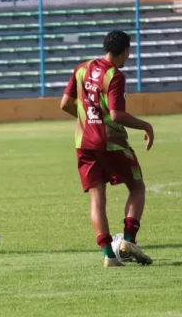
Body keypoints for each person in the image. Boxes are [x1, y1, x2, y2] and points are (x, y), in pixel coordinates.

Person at [60, 30, 154, 267]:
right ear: (125, 51)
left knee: (97, 199)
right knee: (137, 186)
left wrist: (86, 120)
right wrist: (145, 125)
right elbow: (116, 114)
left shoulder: (82, 68)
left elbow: (64, 104)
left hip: (83, 143)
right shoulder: (114, 76)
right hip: (109, 142)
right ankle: (129, 240)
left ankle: (108, 256)